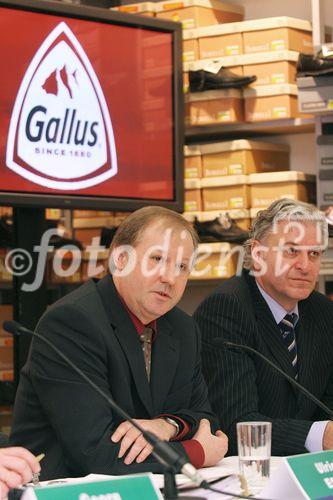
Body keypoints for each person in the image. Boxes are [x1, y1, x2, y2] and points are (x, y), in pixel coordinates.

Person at [10, 206, 228, 480]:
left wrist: (167, 425)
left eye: (182, 266)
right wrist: (195, 452)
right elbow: (95, 453)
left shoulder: (183, 327)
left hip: (150, 485)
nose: (170, 278)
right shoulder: (72, 322)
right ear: (120, 259)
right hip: (63, 488)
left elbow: (205, 418)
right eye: (157, 259)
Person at [194, 198, 333, 456]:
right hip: (248, 474)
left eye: (314, 253)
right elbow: (236, 424)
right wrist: (320, 436)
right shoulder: (227, 308)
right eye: (292, 251)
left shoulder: (323, 311)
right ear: (257, 254)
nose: (305, 265)